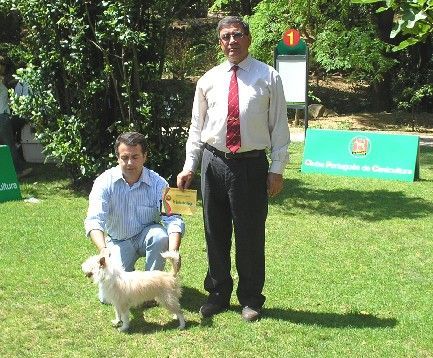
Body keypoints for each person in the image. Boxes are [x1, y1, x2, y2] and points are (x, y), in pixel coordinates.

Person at [177, 16, 290, 322]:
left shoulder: (268, 77)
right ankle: (217, 293)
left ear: (248, 38)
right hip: (214, 163)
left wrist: (276, 168)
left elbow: (279, 125)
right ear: (220, 42)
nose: (231, 41)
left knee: (250, 234)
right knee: (215, 232)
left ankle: (251, 298)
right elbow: (196, 128)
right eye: (225, 37)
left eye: (237, 35)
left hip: (251, 165)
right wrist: (190, 165)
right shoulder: (208, 79)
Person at [84, 132, 185, 301]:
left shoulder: (160, 183)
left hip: (147, 236)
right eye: (125, 157)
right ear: (117, 157)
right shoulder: (103, 182)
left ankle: (152, 290)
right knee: (107, 298)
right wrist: (103, 250)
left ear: (145, 157)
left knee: (160, 236)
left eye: (135, 157)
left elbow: (173, 218)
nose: (130, 163)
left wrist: (173, 250)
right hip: (118, 241)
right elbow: (94, 219)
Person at [0, 57, 32, 178]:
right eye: (2, 64)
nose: (4, 67)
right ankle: (18, 171)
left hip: (3, 115)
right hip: (2, 117)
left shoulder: (2, 81)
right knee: (9, 145)